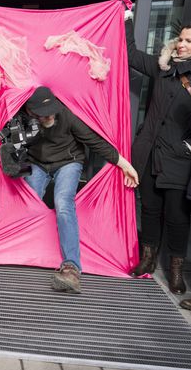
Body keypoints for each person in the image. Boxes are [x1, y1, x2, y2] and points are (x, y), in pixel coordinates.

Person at [21, 86, 139, 293]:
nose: (48, 115)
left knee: (63, 203)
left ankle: (71, 267)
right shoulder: (21, 118)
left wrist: (125, 165)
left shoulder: (66, 115)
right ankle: (31, 250)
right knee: (29, 201)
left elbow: (95, 142)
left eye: (51, 111)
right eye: (42, 112)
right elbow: (7, 144)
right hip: (37, 163)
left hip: (69, 161)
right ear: (30, 111)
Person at [125, 12, 191, 295]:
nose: (182, 45)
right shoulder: (162, 66)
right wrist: (127, 17)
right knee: (150, 209)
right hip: (149, 153)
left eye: (189, 41)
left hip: (178, 160)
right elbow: (129, 54)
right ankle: (148, 259)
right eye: (181, 39)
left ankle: (175, 270)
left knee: (176, 216)